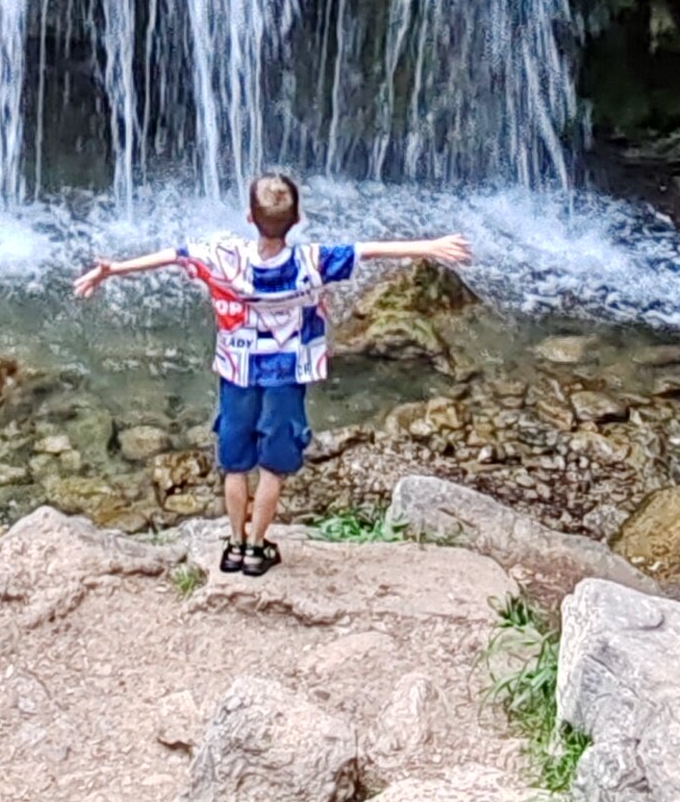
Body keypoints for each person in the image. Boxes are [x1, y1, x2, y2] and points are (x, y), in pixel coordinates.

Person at [74, 171, 474, 575]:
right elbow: (368, 250)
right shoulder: (310, 262)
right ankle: (257, 546)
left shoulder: (225, 259)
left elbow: (174, 255)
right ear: (298, 218)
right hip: (286, 374)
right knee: (273, 466)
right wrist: (429, 246)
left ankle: (233, 545)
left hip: (237, 371)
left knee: (235, 464)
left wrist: (114, 269)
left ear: (249, 218)